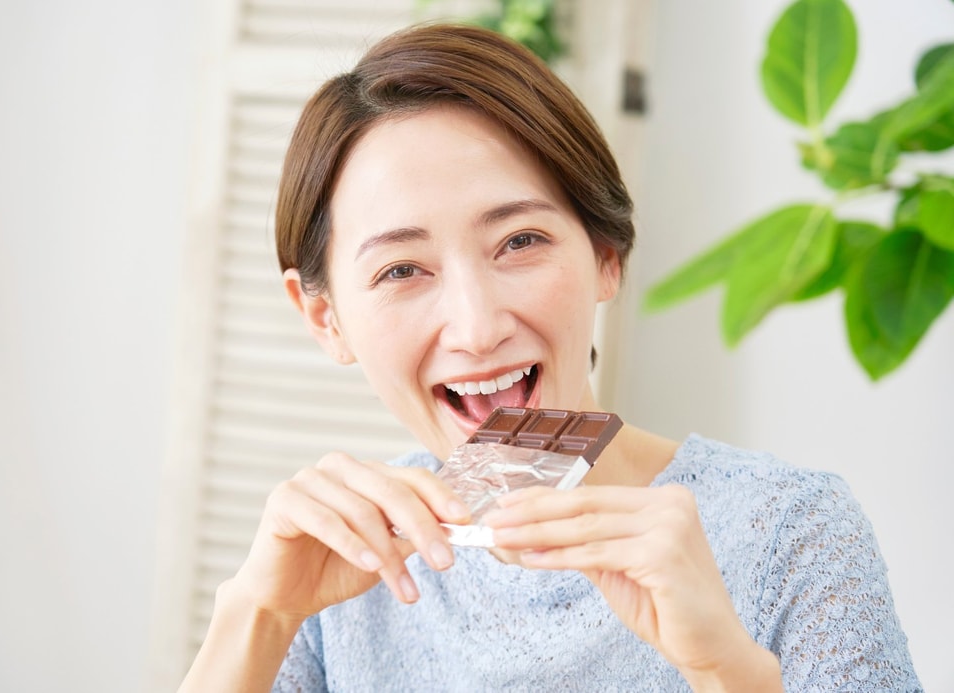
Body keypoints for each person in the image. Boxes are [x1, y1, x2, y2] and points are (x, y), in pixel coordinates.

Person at [178, 22, 921, 692]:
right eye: (402, 269)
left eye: (520, 242)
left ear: (605, 254)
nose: (475, 328)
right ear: (324, 316)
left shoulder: (792, 531)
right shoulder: (333, 571)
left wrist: (725, 668)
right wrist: (259, 614)